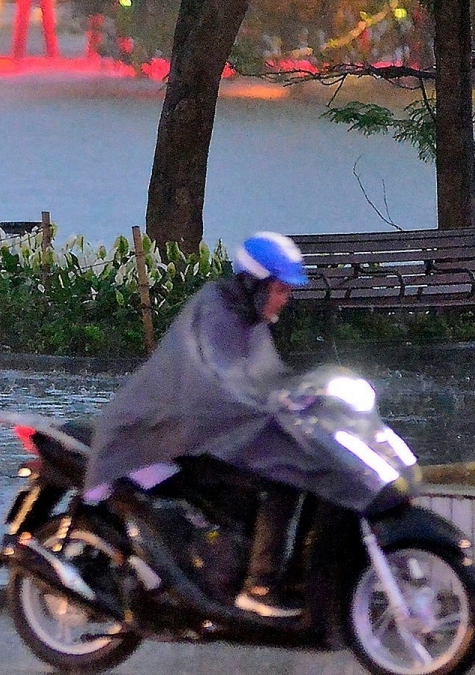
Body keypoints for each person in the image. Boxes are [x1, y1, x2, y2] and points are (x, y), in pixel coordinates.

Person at [84, 231, 309, 619]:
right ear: (255, 284)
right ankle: (258, 586)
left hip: (195, 434)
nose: (284, 299)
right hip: (159, 437)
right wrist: (270, 406)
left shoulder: (248, 319)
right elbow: (219, 380)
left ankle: (250, 571)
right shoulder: (218, 313)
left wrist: (304, 395)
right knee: (281, 479)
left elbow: (265, 376)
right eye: (280, 289)